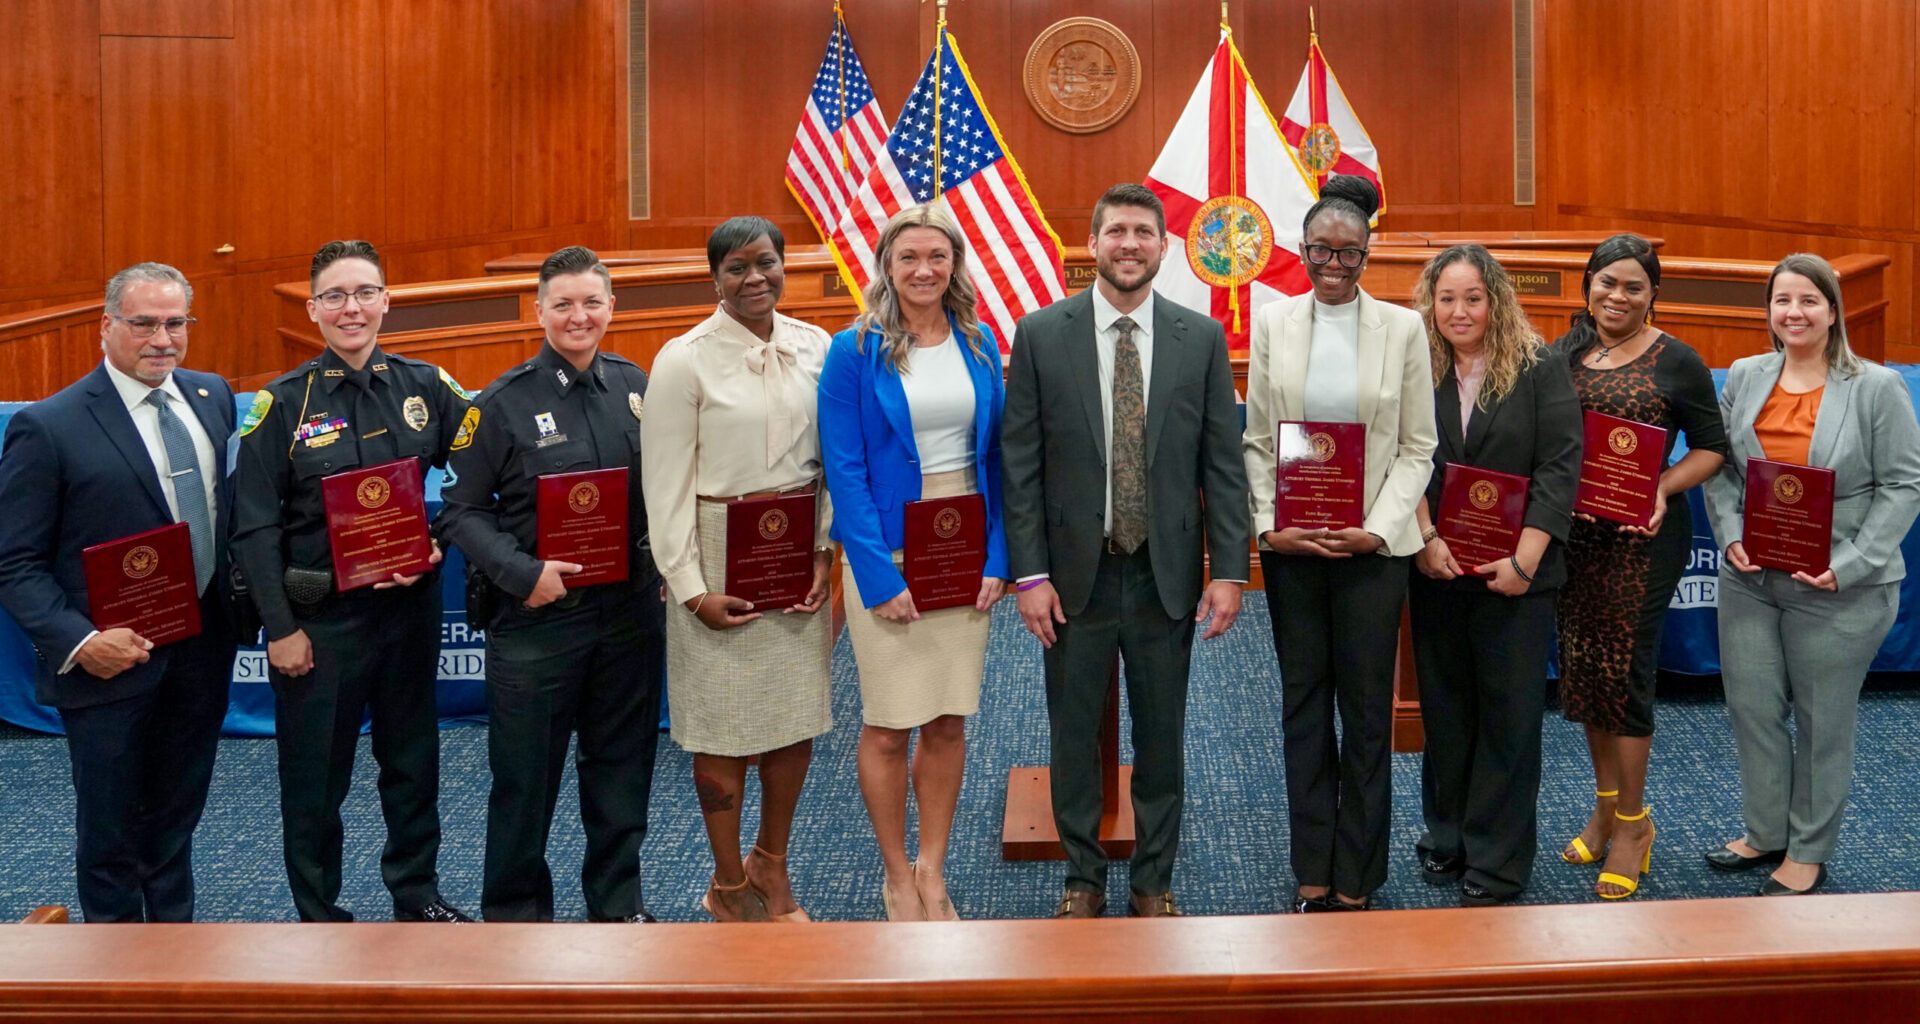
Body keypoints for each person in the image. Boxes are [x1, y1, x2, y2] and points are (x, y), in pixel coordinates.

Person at [1002, 182, 1249, 919]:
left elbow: (1222, 466)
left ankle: (1152, 882)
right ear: (1094, 243)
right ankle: (1082, 879)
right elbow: (1021, 466)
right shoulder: (1041, 333)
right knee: (1072, 733)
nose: (1130, 244)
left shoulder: (1199, 337)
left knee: (1163, 734)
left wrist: (1229, 569)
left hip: (1162, 575)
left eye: (1144, 232)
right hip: (1072, 577)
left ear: (1163, 246)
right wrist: (1030, 574)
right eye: (1116, 232)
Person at [230, 240, 472, 923]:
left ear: (387, 301)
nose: (352, 308)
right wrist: (280, 630)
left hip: (408, 616)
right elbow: (252, 528)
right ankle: (318, 914)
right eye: (334, 296)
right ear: (313, 311)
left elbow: (486, 471)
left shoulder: (426, 386)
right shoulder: (282, 407)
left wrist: (439, 537)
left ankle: (417, 894)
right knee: (314, 781)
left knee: (413, 766)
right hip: (320, 623)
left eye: (365, 292)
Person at [0, 262, 236, 922]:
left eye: (175, 323)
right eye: (144, 323)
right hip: (108, 661)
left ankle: (171, 947)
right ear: (107, 326)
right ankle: (116, 971)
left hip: (201, 649)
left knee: (177, 818)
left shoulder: (212, 397)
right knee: (111, 833)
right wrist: (80, 642)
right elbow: (12, 562)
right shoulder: (48, 426)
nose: (162, 338)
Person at [437, 245, 665, 922]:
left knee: (622, 770)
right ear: (538, 311)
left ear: (611, 309)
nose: (578, 316)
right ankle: (514, 918)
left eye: (591, 302)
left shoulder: (637, 387)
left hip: (627, 616)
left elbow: (663, 492)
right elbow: (460, 510)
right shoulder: (501, 405)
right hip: (538, 620)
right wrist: (521, 573)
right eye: (562, 304)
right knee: (524, 783)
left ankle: (617, 906)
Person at [1700, 253, 1920, 896]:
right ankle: (1766, 831)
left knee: (1824, 721)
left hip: (1839, 586)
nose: (1793, 313)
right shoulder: (1744, 374)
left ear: (1832, 311)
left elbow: (1904, 485)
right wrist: (1731, 536)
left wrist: (1848, 564)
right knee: (1751, 708)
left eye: (1808, 301)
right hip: (1751, 578)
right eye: (1781, 301)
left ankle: (1809, 849)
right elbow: (1722, 469)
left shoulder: (1875, 386)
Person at [1244, 175, 1435, 912]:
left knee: (1364, 712)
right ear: (1302, 250)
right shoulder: (1273, 324)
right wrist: (1270, 528)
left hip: (1371, 553)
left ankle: (1357, 874)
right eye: (1321, 249)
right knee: (1302, 706)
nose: (1334, 263)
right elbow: (1258, 441)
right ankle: (1312, 866)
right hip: (1293, 549)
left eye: (1349, 252)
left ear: (1366, 254)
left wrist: (1378, 530)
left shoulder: (1403, 328)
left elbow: (1419, 446)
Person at [640, 216, 835, 923]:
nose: (754, 278)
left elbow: (834, 463)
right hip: (716, 554)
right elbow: (663, 484)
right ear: (714, 278)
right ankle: (728, 885)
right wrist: (690, 591)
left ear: (785, 266)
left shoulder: (817, 346)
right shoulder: (682, 359)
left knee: (792, 721)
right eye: (736, 268)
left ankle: (771, 865)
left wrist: (824, 549)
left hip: (794, 552)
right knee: (720, 729)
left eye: (766, 263)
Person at [818, 205, 1008, 921]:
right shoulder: (853, 351)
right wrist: (876, 574)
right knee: (890, 722)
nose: (924, 270)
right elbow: (846, 470)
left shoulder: (981, 343)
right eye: (908, 258)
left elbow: (997, 459)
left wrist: (1000, 557)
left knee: (950, 718)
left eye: (937, 256)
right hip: (888, 546)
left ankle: (933, 868)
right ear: (886, 267)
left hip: (965, 540)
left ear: (955, 263)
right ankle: (895, 873)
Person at [1549, 233, 1727, 900]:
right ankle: (1604, 806)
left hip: (1643, 542)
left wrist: (1661, 487)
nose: (1616, 296)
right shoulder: (1564, 352)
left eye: (1632, 286)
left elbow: (1713, 447)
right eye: (1605, 282)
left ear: (1653, 295)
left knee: (1625, 676)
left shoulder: (1677, 360)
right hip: (1578, 539)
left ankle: (1632, 827)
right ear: (1587, 285)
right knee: (1588, 673)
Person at [1406, 245, 1582, 907]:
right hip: (1436, 567)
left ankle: (1500, 860)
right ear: (1431, 302)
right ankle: (1445, 839)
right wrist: (1424, 539)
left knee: (1509, 718)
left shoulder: (1540, 368)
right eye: (1446, 298)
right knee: (1447, 712)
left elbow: (1561, 466)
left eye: (1472, 298)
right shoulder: (1413, 364)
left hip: (1517, 576)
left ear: (1496, 301)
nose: (1459, 311)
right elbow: (1404, 456)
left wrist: (1526, 559)